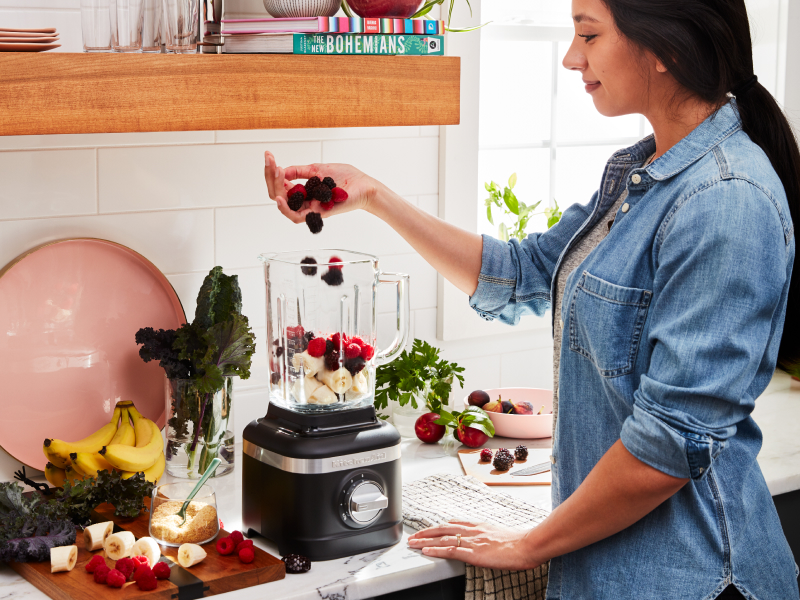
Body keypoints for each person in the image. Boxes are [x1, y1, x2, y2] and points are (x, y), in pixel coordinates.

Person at [263, 0, 800, 596]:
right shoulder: (640, 174)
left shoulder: (726, 200)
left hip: (692, 577)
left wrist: (527, 543)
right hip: (612, 571)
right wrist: (373, 197)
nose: (573, 58)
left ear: (668, 48)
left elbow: (669, 445)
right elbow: (520, 273)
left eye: (589, 35)